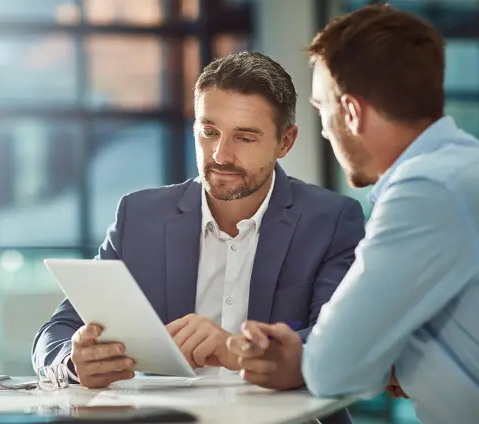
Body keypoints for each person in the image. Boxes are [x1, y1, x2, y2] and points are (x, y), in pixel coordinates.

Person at [226, 5, 479, 423]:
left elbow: (330, 368)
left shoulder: (429, 190)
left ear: (352, 113)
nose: (323, 129)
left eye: (323, 109)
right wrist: (392, 362)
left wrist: (302, 361)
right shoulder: (457, 169)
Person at [31, 52, 366, 390]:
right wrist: (74, 362)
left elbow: (342, 340)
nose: (221, 154)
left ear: (285, 142)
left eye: (245, 137)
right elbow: (56, 331)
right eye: (209, 132)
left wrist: (234, 349)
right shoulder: (139, 217)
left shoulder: (331, 220)